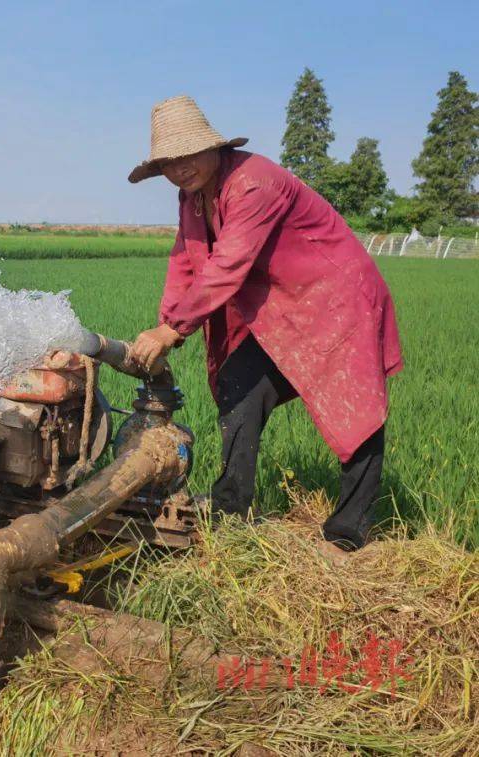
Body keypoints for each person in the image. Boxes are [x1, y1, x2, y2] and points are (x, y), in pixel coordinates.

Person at [126, 96, 403, 559]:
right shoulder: (192, 197)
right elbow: (185, 260)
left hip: (336, 297)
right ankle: (231, 505)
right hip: (285, 305)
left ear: (212, 147)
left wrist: (174, 329)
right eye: (169, 162)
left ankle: (349, 530)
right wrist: (165, 322)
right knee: (241, 383)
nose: (180, 168)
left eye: (188, 155)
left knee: (352, 405)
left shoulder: (253, 182)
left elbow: (228, 263)